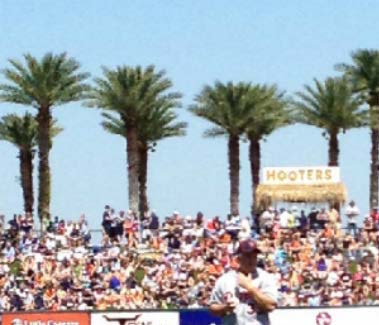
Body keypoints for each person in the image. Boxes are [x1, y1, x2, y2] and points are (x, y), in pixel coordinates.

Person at [209, 239, 278, 325]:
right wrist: (225, 308)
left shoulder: (264, 278)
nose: (252, 260)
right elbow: (213, 308)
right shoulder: (225, 280)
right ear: (238, 259)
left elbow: (271, 306)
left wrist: (250, 288)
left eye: (254, 256)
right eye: (248, 256)